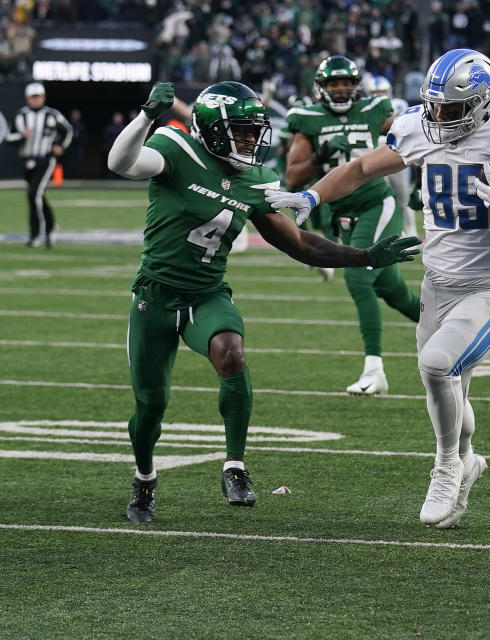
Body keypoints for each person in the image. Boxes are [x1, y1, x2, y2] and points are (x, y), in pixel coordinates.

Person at [266, 49, 490, 528]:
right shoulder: (416, 126)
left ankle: (446, 466)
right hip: (437, 286)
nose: (437, 116)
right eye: (431, 105)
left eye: (449, 108)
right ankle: (468, 458)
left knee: (436, 366)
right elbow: (362, 168)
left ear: (483, 103)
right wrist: (312, 194)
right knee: (447, 388)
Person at [106, 81, 420, 523]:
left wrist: (365, 256)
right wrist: (145, 117)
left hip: (207, 295)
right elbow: (120, 162)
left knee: (231, 351)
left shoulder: (255, 180)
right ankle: (144, 477)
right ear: (213, 130)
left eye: (256, 131)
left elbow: (301, 244)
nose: (253, 141)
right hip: (154, 298)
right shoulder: (176, 148)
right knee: (150, 406)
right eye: (243, 131)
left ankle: (234, 465)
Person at [285, 56, 421, 396]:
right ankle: (452, 328)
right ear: (322, 88)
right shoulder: (309, 120)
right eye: (334, 83)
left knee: (358, 275)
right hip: (341, 213)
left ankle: (374, 370)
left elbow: (413, 140)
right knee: (392, 290)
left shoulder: (375, 109)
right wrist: (319, 157)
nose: (341, 88)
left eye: (346, 82)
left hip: (376, 202)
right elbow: (293, 176)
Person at [8, 83, 72, 248]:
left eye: (39, 96)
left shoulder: (52, 115)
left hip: (45, 160)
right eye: (33, 97)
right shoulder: (21, 115)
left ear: (43, 97)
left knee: (33, 194)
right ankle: (51, 227)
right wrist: (22, 135)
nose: (36, 100)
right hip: (26, 160)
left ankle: (37, 234)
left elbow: (68, 131)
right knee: (36, 196)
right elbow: (9, 136)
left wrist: (61, 147)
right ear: (27, 98)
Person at [364, 74, 420, 239]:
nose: (378, 95)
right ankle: (390, 232)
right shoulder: (365, 109)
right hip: (374, 157)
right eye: (375, 92)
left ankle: (411, 232)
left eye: (382, 92)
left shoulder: (397, 105)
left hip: (396, 155)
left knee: (403, 197)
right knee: (381, 197)